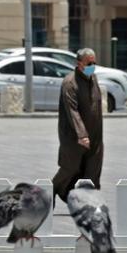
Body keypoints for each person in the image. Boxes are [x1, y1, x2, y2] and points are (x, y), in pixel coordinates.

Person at [52, 48, 104, 205]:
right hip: (73, 136)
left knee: (93, 169)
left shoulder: (92, 78)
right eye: (89, 63)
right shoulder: (70, 83)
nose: (92, 66)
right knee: (70, 167)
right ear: (79, 63)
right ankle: (51, 190)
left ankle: (87, 201)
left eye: (94, 63)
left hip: (95, 134)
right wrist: (82, 135)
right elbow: (72, 110)